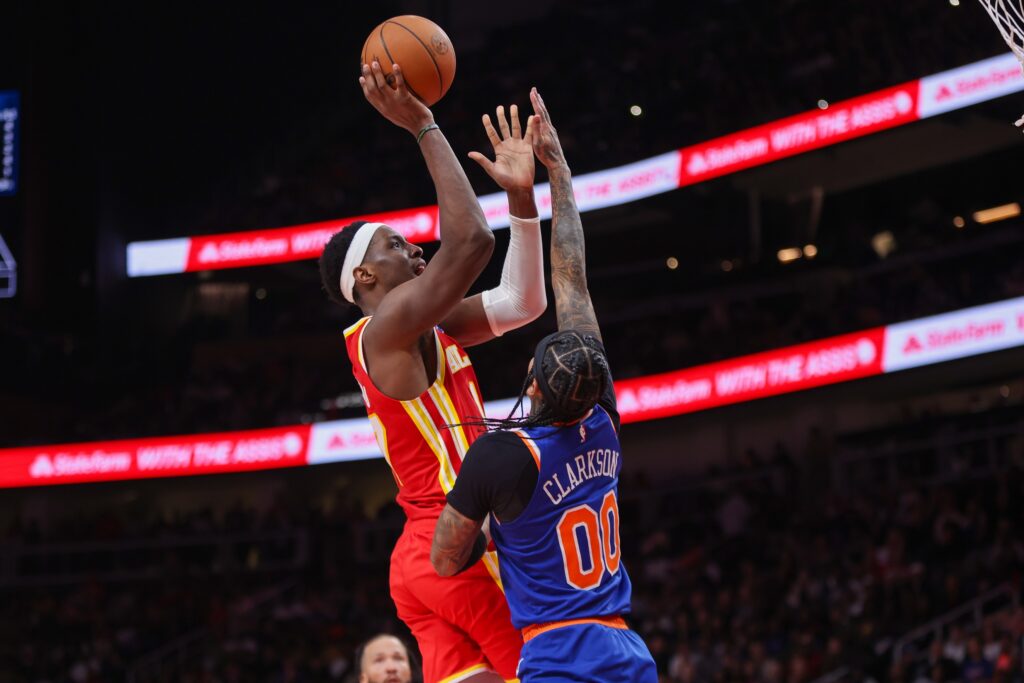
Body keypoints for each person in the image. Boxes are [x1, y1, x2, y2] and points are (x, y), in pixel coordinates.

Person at [318, 60, 546, 683]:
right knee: (546, 673)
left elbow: (523, 302)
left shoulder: (428, 327)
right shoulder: (387, 329)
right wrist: (423, 125)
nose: (414, 248)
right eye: (395, 245)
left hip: (424, 554)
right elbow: (471, 240)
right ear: (364, 278)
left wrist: (523, 200)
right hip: (455, 536)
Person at [430, 87, 657, 683]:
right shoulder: (601, 418)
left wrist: (487, 525)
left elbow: (445, 559)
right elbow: (573, 283)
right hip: (625, 649)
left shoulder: (502, 456)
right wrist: (560, 172)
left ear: (531, 382)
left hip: (557, 656)